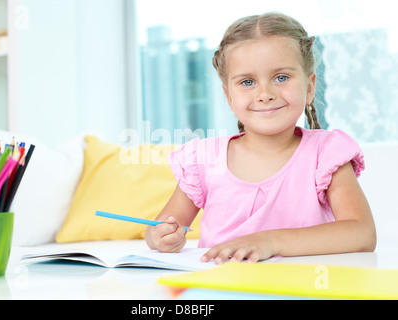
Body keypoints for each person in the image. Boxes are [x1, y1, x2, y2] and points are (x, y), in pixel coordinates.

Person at [144, 12, 376, 264]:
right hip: (221, 288)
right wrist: (160, 237)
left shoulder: (326, 153)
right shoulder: (202, 159)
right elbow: (157, 228)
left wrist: (270, 241)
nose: (265, 94)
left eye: (281, 78)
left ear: (309, 88)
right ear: (229, 97)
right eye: (247, 82)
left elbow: (362, 234)